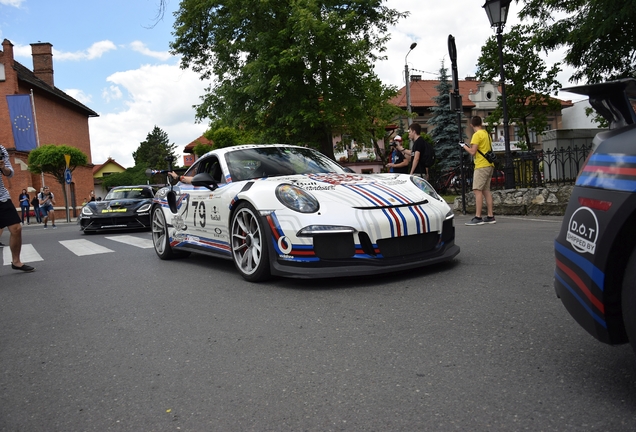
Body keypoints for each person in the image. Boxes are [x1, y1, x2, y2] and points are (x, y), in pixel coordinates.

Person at [0, 145, 35, 272]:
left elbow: (10, 173)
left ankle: (16, 261)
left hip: (1, 196)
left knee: (16, 228)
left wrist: (4, 168)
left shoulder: (1, 149)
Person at [460, 115, 496, 226]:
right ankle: (490, 216)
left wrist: (464, 146)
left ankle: (478, 217)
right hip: (489, 165)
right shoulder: (486, 134)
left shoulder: (476, 135)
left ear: (471, 125)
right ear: (481, 123)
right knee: (486, 190)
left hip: (481, 165)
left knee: (477, 190)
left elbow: (472, 152)